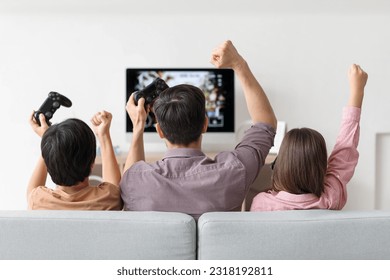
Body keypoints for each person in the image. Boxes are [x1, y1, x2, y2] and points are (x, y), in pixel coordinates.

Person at [120, 40, 277, 219]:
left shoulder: (136, 180)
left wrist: (138, 127)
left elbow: (132, 171)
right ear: (205, 124)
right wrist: (238, 64)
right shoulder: (235, 170)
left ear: (160, 131)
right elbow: (266, 124)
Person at [250, 64, 368, 211]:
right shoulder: (330, 198)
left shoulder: (262, 204)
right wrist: (357, 91)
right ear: (320, 169)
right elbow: (345, 150)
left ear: (279, 166)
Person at [27, 110, 123, 210]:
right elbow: (114, 186)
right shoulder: (109, 199)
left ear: (47, 164)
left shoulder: (37, 201)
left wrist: (47, 141)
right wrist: (104, 135)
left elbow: (31, 191)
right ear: (92, 162)